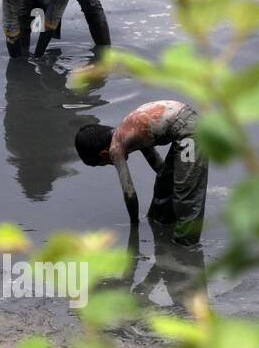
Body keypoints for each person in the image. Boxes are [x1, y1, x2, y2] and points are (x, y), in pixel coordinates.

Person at [74, 100, 208, 244]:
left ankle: (186, 244)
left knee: (185, 193)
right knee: (164, 183)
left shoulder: (115, 148)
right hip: (184, 124)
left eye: (105, 163)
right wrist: (169, 178)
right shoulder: (131, 131)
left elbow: (129, 194)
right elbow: (159, 167)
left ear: (104, 155)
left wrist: (134, 224)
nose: (110, 163)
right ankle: (162, 223)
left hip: (189, 132)